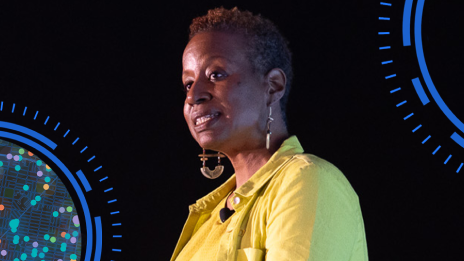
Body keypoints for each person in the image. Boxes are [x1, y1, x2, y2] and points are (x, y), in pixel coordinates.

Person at [171, 7, 368, 261]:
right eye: (188, 82)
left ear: (273, 86)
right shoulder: (207, 218)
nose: (193, 95)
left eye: (216, 74)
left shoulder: (305, 180)